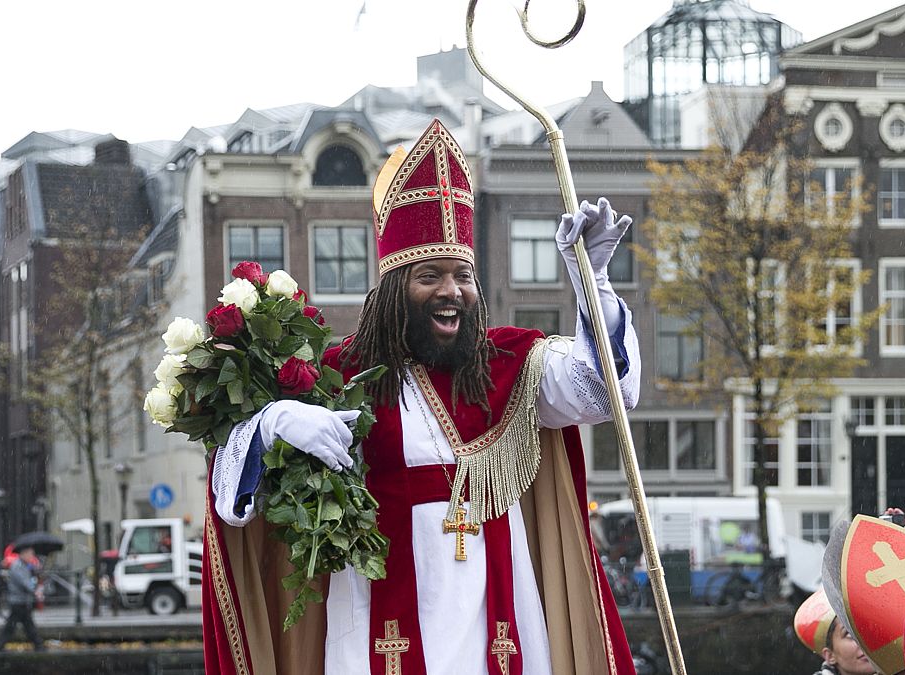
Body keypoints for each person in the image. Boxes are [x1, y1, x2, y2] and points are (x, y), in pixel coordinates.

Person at [205, 119, 640, 674]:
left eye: (463, 274)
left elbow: (606, 393)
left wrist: (594, 283)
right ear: (394, 289)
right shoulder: (337, 375)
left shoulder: (510, 361)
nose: (451, 290)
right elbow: (232, 502)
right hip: (373, 619)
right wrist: (272, 423)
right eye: (429, 275)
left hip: (501, 618)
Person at [0, 546, 44, 652]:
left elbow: (29, 579)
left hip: (22, 600)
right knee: (18, 625)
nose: (32, 557)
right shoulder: (18, 566)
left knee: (23, 625)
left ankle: (38, 644)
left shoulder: (25, 565)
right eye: (31, 554)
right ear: (24, 554)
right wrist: (35, 590)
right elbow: (25, 582)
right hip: (18, 600)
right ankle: (38, 645)